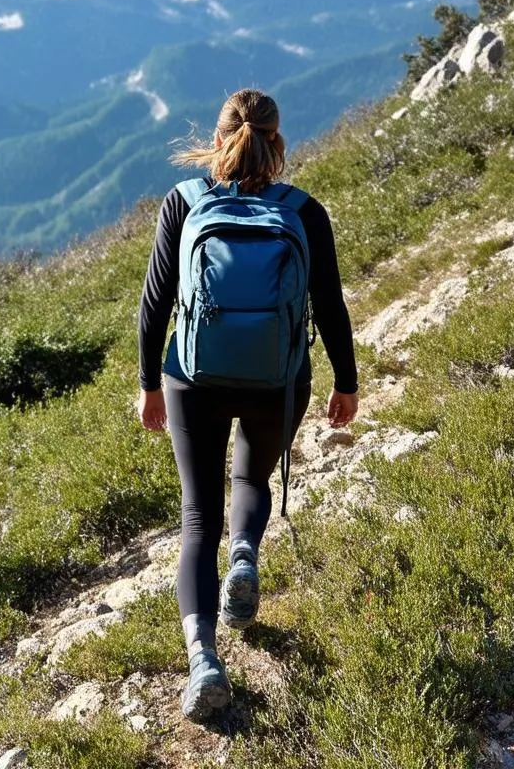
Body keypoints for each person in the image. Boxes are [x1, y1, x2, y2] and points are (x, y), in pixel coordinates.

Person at [136, 88, 358, 722]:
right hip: (278, 379)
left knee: (199, 516)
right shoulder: (304, 211)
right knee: (250, 476)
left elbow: (154, 305)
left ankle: (203, 660)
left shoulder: (183, 202)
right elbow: (331, 307)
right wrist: (346, 382)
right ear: (277, 144)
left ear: (217, 138)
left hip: (192, 377)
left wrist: (151, 383)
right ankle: (246, 556)